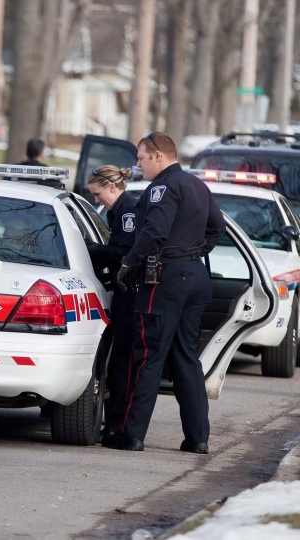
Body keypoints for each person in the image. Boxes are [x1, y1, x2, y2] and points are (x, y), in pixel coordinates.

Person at [103, 132, 224, 454]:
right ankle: (197, 438)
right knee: (186, 358)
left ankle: (131, 434)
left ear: (158, 155)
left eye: (141, 158)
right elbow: (216, 228)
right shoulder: (197, 184)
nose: (138, 165)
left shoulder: (162, 188)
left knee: (148, 356)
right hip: (195, 275)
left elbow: (154, 232)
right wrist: (192, 251)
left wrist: (128, 264)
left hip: (164, 279)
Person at [83, 165, 138, 438]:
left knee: (122, 363)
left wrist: (96, 251)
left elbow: (125, 253)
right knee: (119, 363)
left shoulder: (128, 212)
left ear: (113, 187)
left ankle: (119, 426)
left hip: (130, 294)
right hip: (122, 291)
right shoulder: (118, 210)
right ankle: (116, 424)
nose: (96, 200)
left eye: (98, 193)